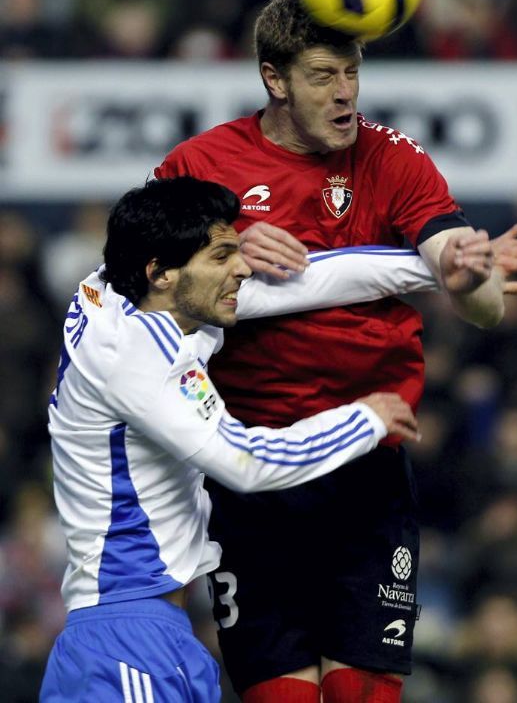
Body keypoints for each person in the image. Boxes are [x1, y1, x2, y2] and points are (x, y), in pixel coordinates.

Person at [156, 0, 517, 703]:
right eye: (322, 76)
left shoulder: (393, 160)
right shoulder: (200, 166)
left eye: (352, 73)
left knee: (361, 693)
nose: (345, 94)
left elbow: (482, 301)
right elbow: (144, 296)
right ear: (273, 79)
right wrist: (223, 245)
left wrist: (466, 275)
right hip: (248, 467)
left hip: (364, 464)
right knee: (278, 694)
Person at [42, 176, 449, 702]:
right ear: (160, 273)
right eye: (222, 256)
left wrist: (443, 266)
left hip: (155, 633)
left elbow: (306, 282)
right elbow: (247, 462)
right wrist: (364, 420)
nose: (242, 266)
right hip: (124, 641)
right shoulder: (136, 360)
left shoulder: (117, 289)